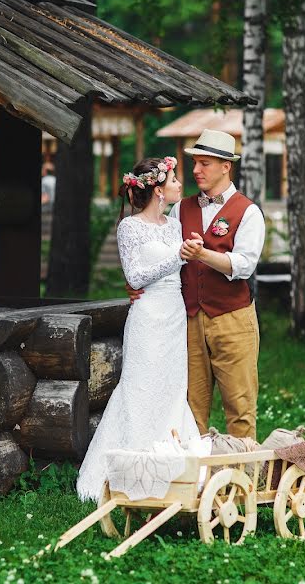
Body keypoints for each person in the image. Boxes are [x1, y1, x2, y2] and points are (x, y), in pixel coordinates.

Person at [76, 156, 201, 502]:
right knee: (140, 387)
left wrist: (185, 253)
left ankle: (171, 472)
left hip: (174, 315)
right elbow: (134, 277)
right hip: (147, 316)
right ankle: (121, 473)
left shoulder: (174, 225)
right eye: (174, 180)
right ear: (158, 190)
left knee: (172, 389)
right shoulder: (129, 228)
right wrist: (178, 255)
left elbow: (179, 270)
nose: (180, 185)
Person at [131, 129, 266, 440]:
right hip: (188, 320)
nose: (195, 171)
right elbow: (162, 257)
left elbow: (243, 266)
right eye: (194, 163)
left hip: (233, 318)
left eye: (204, 163)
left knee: (240, 407)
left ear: (225, 166)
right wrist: (139, 283)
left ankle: (242, 479)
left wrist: (202, 253)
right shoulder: (181, 209)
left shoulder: (249, 212)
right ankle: (196, 481)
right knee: (191, 407)